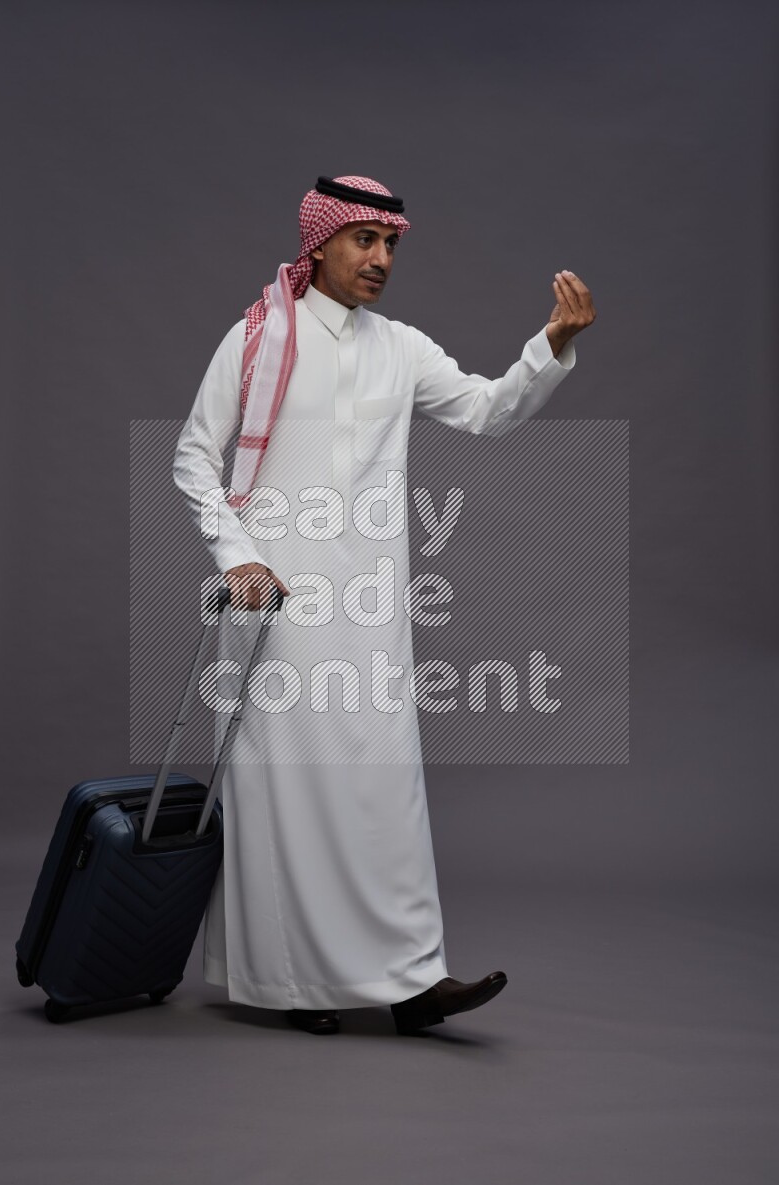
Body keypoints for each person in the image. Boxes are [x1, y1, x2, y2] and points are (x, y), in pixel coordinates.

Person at [173, 175, 596, 1036]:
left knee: (381, 790)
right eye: (365, 240)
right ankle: (293, 985)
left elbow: (485, 410)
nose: (381, 259)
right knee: (290, 796)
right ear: (319, 243)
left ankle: (411, 980)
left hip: (369, 606)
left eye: (391, 243)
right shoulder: (256, 338)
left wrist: (547, 346)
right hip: (276, 607)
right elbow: (192, 458)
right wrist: (239, 556)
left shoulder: (400, 347)